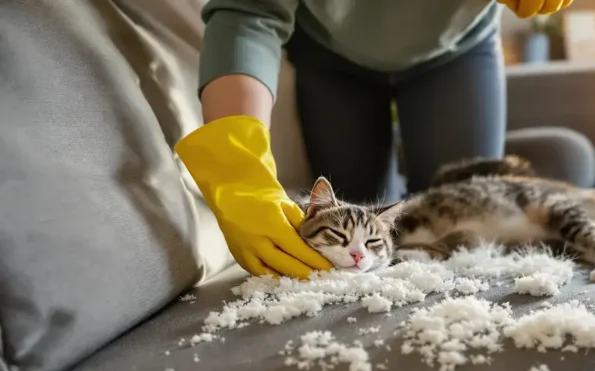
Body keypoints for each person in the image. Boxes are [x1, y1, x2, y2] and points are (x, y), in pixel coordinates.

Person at [175, 0, 574, 280]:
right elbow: (248, 12)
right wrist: (238, 167)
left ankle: (559, 166)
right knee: (359, 209)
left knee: (466, 218)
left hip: (459, 47)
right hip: (330, 57)